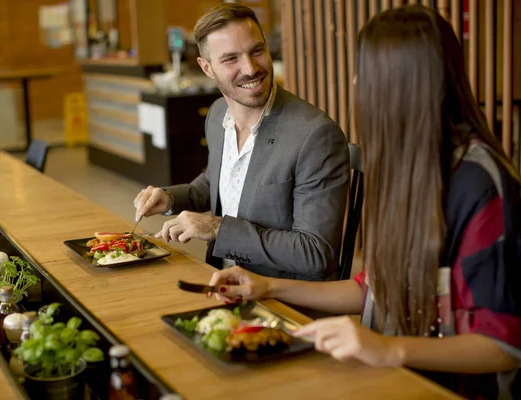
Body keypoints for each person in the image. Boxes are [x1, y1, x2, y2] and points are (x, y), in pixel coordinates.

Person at [206, 6, 521, 399]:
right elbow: (373, 288)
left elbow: (505, 345)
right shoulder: (408, 163)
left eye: (363, 71)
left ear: (401, 83)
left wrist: (387, 348)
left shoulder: (478, 183)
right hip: (394, 378)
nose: (355, 81)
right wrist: (267, 287)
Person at [133, 4, 349, 281]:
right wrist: (171, 199)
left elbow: (316, 253)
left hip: (280, 298)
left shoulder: (315, 135)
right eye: (231, 59)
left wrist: (215, 228)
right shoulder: (218, 114)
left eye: (257, 51)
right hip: (219, 278)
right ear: (207, 68)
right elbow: (217, 184)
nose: (250, 68)